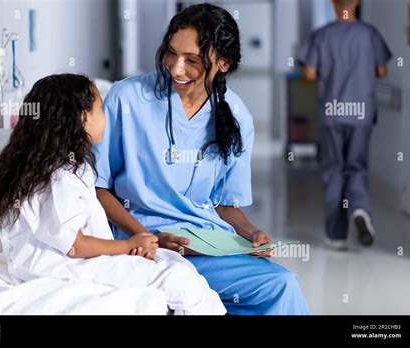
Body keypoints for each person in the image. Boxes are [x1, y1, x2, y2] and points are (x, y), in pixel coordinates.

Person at [94, 4, 311, 315]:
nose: (175, 68)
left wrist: (251, 234)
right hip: (143, 244)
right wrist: (145, 235)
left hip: (205, 246)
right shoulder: (126, 98)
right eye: (171, 53)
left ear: (223, 63)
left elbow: (223, 204)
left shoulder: (236, 116)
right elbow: (99, 188)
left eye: (192, 61)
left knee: (281, 284)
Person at [0, 73, 226, 315]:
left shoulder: (64, 167)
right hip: (58, 266)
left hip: (72, 258)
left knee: (173, 265)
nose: (104, 116)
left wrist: (130, 246)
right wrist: (126, 245)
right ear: (81, 118)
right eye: (99, 108)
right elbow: (74, 245)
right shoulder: (60, 176)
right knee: (176, 277)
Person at [297, 0, 392, 251]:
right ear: (357, 3)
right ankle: (359, 208)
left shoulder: (321, 35)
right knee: (356, 167)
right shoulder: (369, 34)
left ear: (332, 4)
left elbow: (308, 74)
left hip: (332, 114)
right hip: (360, 114)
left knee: (334, 172)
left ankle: (336, 235)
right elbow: (381, 71)